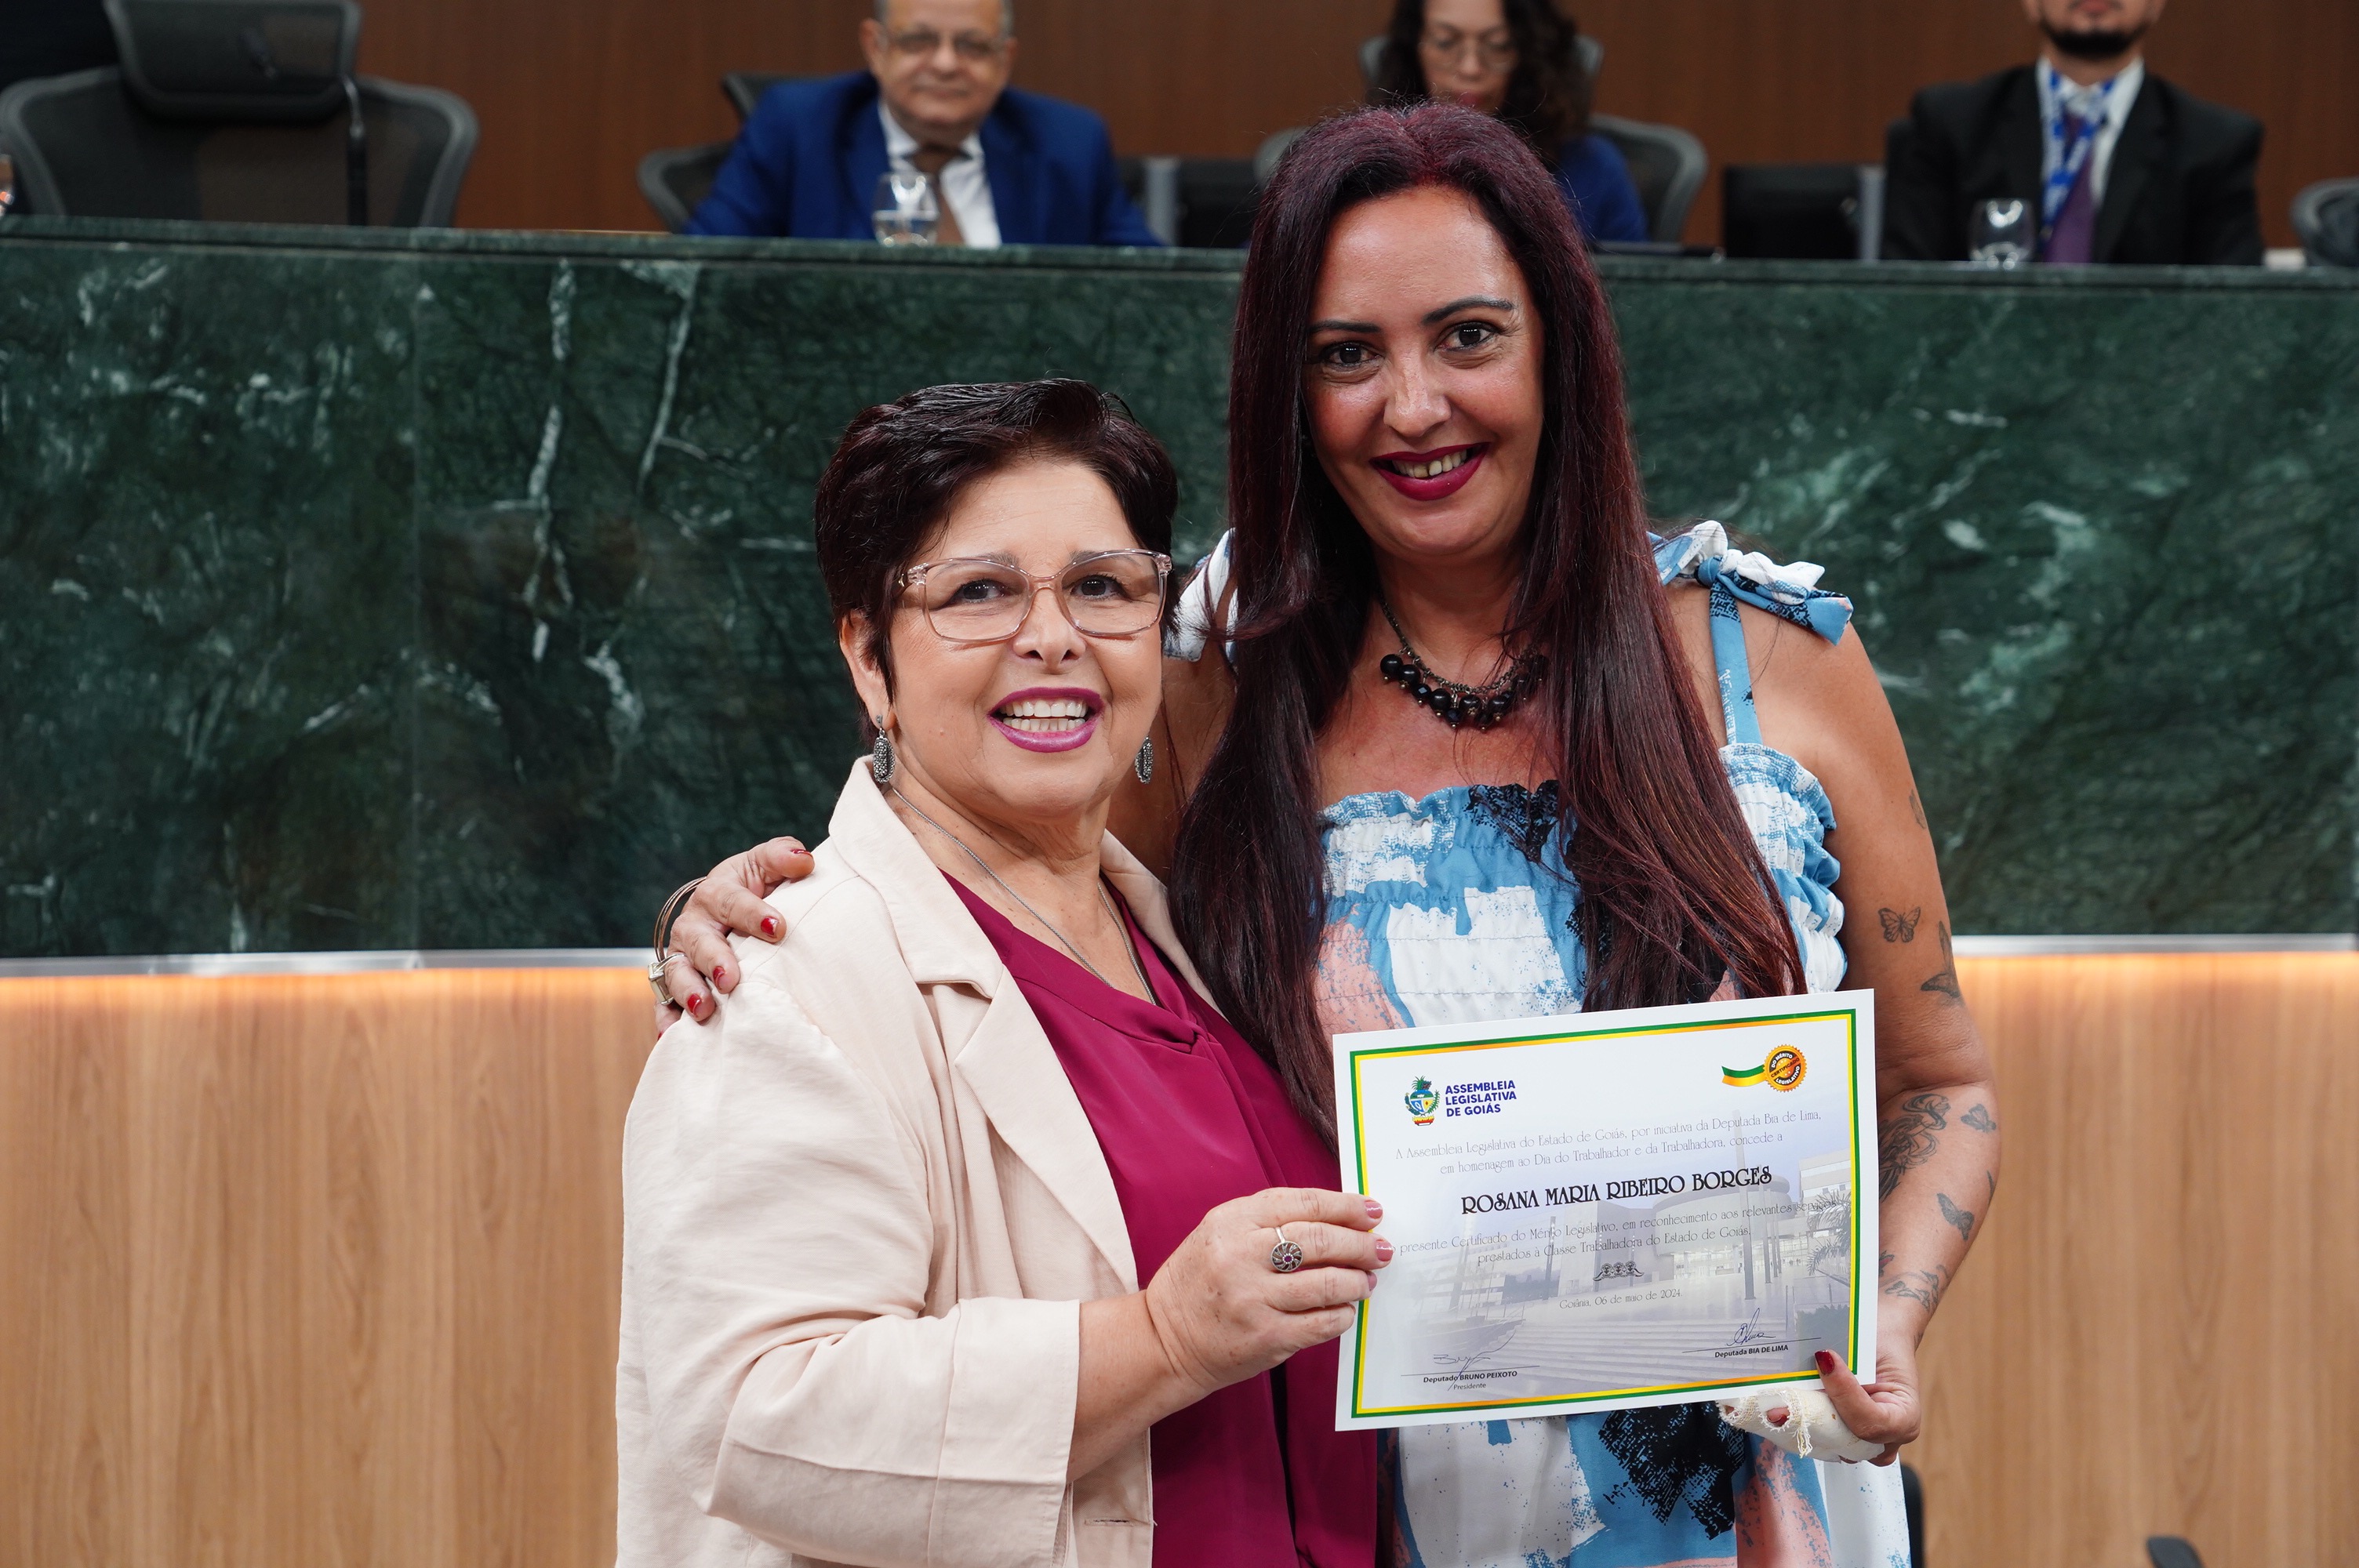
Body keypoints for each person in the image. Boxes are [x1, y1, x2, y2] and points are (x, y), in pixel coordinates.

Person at [661, 106, 1999, 1567]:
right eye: (1347, 355)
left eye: (1468, 338)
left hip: (1763, 1501)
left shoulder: (1773, 654)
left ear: (1558, 347)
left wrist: (1890, 1315)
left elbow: (1938, 1080)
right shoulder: (1213, 681)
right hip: (1370, 1511)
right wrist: (757, 909)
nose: (1412, 406)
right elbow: (998, 863)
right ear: (1287, 393)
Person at [620, 379, 1381, 1566]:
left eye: (1102, 586)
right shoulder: (779, 985)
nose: (1053, 635)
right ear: (868, 659)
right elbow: (751, 1414)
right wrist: (1163, 1339)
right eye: (978, 591)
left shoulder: (1208, 934)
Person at [686, 0, 1160, 248]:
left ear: (1004, 61)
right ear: (876, 49)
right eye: (918, 41)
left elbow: (1158, 289)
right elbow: (700, 267)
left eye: (972, 45)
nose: (946, 64)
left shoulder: (1070, 144)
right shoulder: (798, 129)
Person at [1883, 0, 2262, 265]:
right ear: (2031, 3)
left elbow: (2233, 310)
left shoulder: (2215, 143)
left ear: (2156, 4)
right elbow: (1905, 289)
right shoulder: (1951, 123)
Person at [1365, 0, 1650, 245]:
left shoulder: (1593, 167)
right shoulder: (1369, 168)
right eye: (1445, 43)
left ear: (1529, 54)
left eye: (1498, 46)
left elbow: (1634, 287)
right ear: (1413, 48)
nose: (1470, 68)